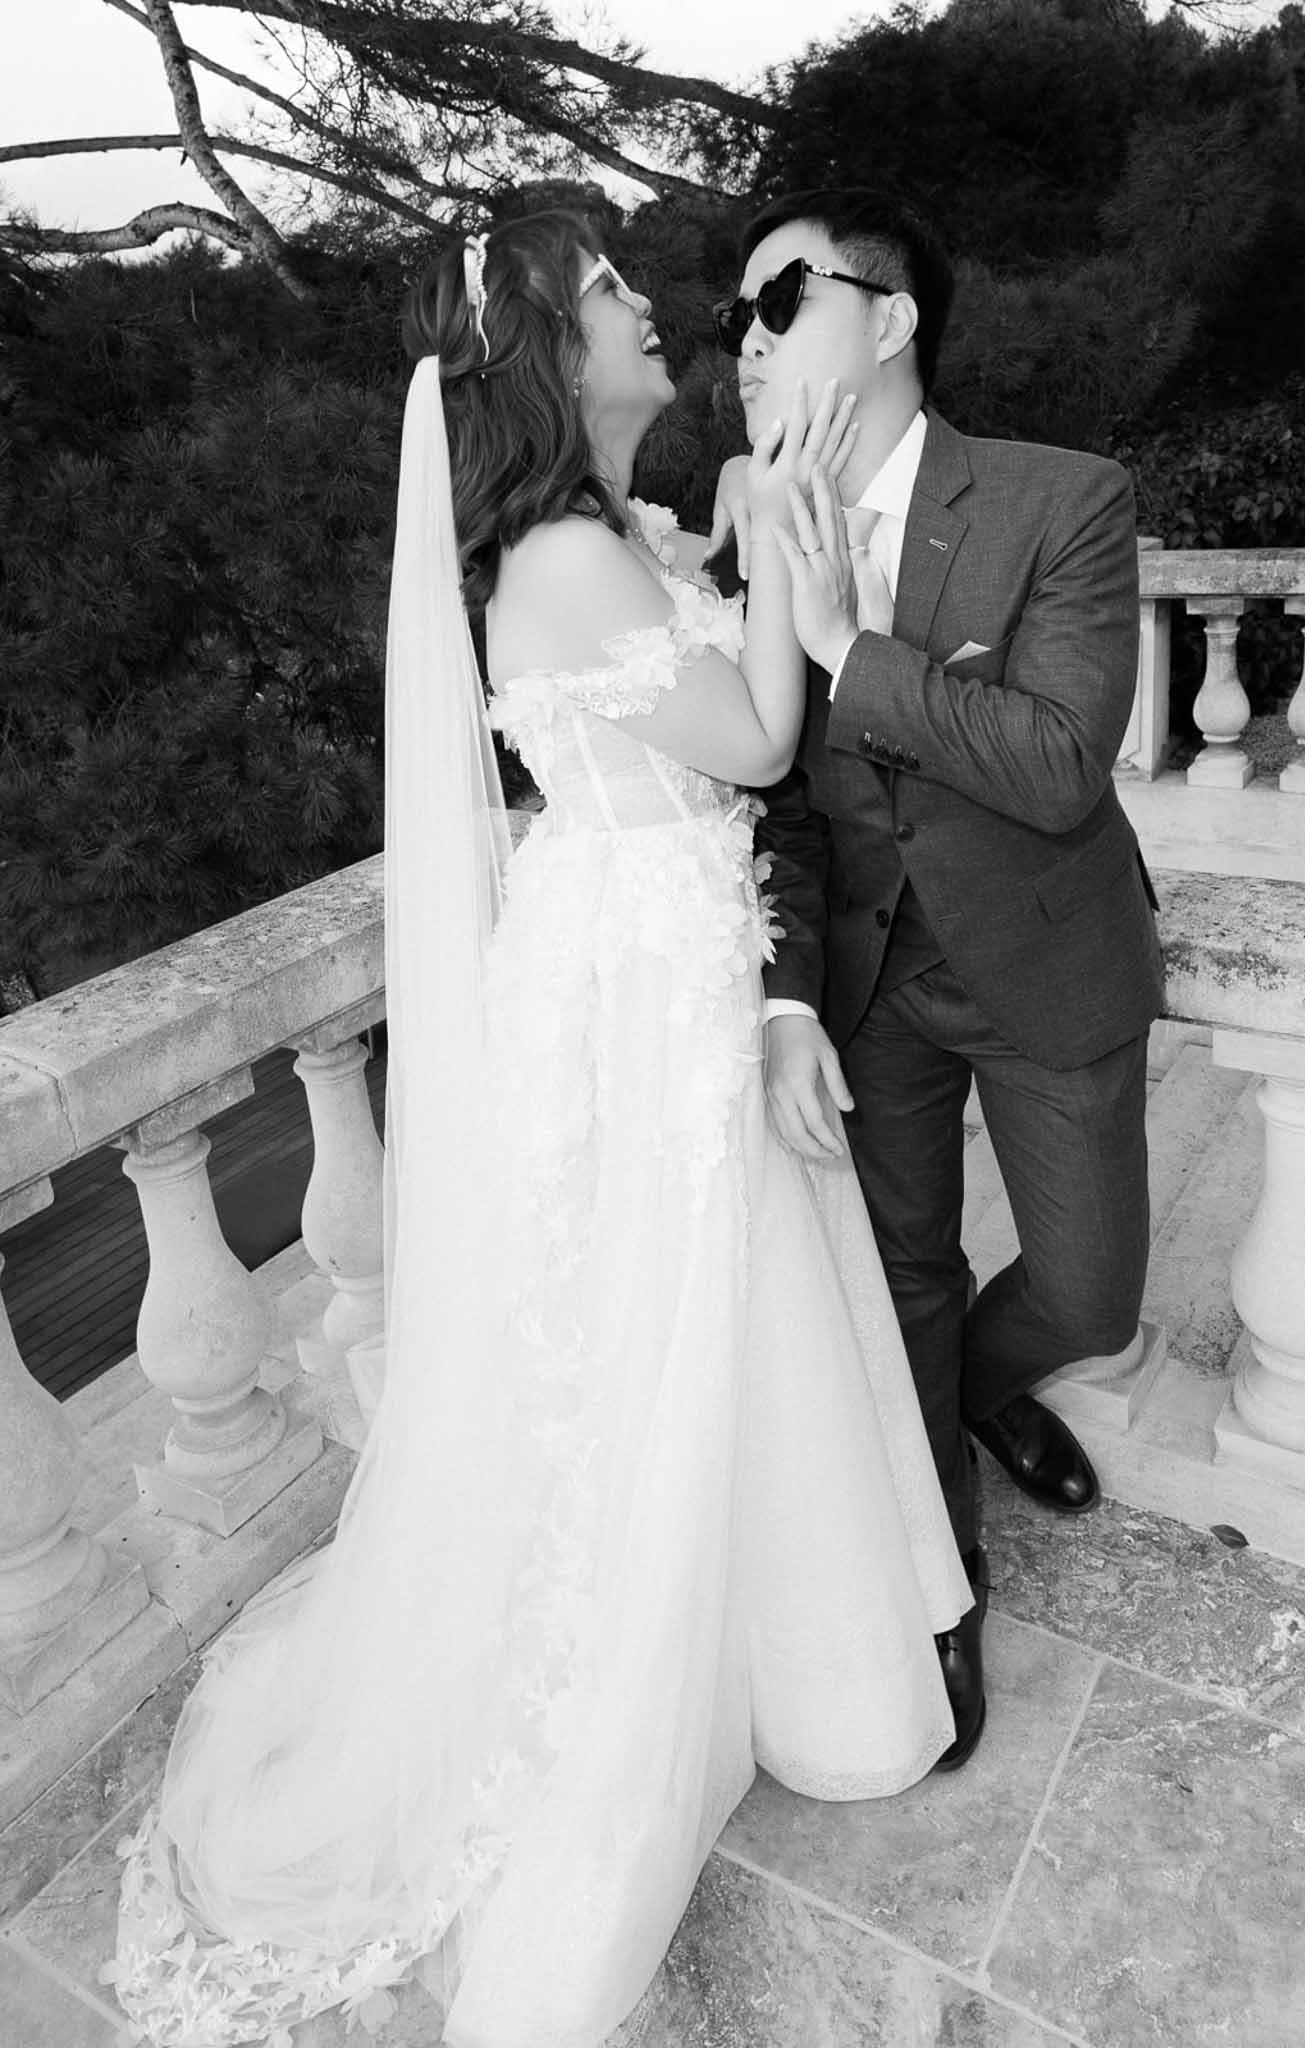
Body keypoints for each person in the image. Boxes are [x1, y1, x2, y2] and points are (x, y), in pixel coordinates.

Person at [109, 210, 972, 2048]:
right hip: (639, 977)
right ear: (540, 356)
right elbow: (749, 740)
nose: (649, 308)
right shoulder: (569, 559)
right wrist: (803, 560)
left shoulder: (611, 535)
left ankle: (762, 1638)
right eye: (606, 296)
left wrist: (740, 535)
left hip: (655, 949)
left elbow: (701, 687)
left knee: (703, 1309)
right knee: (653, 1319)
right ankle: (641, 1684)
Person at [709, 187, 1165, 1768]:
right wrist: (779, 999)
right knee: (895, 1273)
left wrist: (850, 646)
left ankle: (979, 1385)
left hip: (1041, 968)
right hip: (865, 985)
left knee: (1093, 1291)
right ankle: (934, 1575)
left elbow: (1053, 766)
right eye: (732, 322)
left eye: (781, 306)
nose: (746, 348)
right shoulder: (749, 525)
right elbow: (759, 794)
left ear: (888, 320)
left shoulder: (1062, 500)